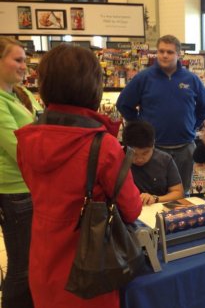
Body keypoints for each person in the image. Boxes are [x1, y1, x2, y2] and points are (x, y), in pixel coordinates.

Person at [14, 44, 142, 308]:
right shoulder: (102, 145)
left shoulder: (27, 139)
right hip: (89, 272)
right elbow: (131, 209)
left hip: (42, 262)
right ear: (93, 87)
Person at [116, 35, 205, 194]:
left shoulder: (191, 79)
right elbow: (123, 104)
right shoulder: (143, 78)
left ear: (178, 55)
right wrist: (140, 126)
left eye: (169, 52)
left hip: (185, 148)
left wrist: (193, 124)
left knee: (183, 194)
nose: (165, 55)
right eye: (161, 51)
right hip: (154, 150)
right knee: (155, 195)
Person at [0, 37, 42, 308]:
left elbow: (42, 126)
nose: (24, 66)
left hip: (32, 188)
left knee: (33, 260)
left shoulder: (20, 94)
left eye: (24, 60)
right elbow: (18, 150)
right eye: (17, 60)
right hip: (14, 193)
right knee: (21, 265)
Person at [122, 120, 184, 205]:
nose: (139, 159)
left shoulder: (165, 160)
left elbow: (178, 193)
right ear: (125, 147)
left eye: (145, 153)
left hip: (158, 209)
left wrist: (155, 198)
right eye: (134, 154)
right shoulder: (118, 160)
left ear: (153, 144)